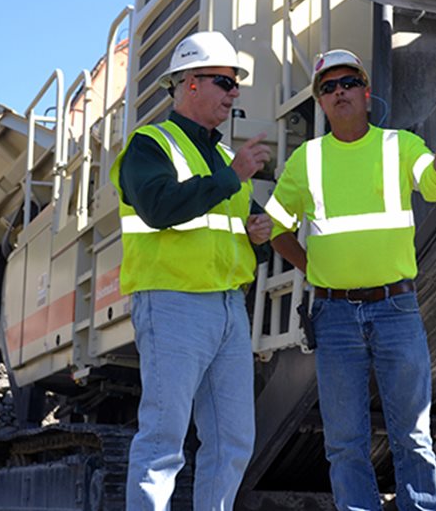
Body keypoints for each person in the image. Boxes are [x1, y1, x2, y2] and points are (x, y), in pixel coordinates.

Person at [265, 49, 436, 511]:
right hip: (335, 316)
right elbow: (276, 229)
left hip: (395, 310)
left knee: (412, 434)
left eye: (347, 83)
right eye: (328, 87)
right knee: (345, 441)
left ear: (366, 93)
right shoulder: (306, 161)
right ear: (321, 103)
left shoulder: (398, 145)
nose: (338, 92)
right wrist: (317, 271)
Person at [110, 30, 273, 510]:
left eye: (236, 82)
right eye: (225, 81)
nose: (234, 92)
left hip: (227, 308)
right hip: (173, 302)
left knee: (233, 441)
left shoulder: (225, 158)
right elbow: (159, 208)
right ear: (189, 83)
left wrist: (254, 238)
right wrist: (233, 177)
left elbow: (222, 233)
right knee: (163, 441)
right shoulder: (151, 144)